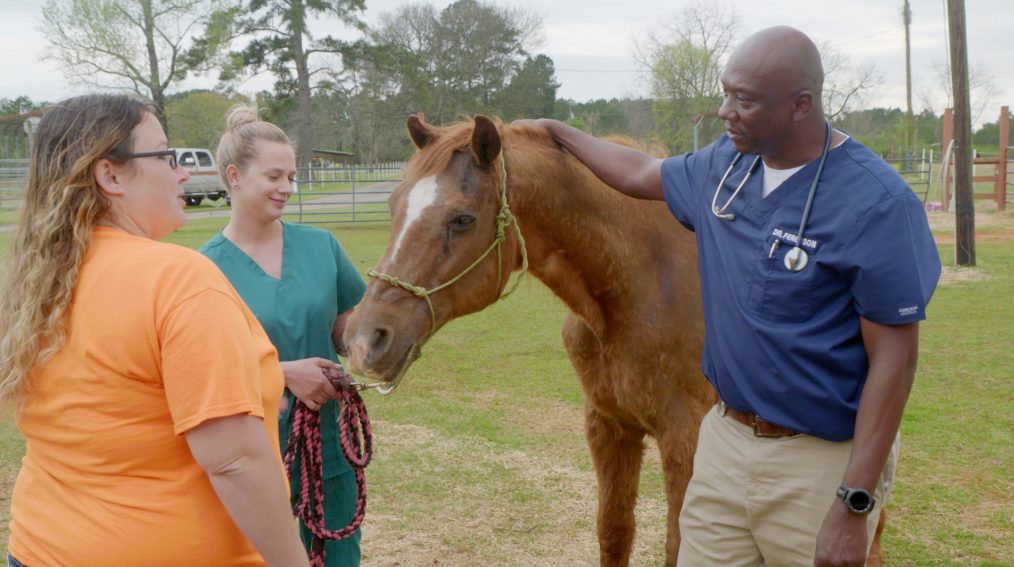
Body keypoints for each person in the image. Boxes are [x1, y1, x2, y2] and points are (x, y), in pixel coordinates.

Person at [519, 26, 941, 567]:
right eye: (725, 93)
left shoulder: (877, 204)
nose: (724, 111)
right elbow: (642, 173)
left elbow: (895, 362)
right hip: (724, 444)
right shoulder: (728, 169)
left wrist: (854, 502)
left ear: (799, 106)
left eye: (743, 100)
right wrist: (560, 132)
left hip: (820, 460)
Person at [0, 94, 308, 567]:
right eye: (165, 155)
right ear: (111, 174)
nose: (182, 171)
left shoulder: (37, 281)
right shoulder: (178, 278)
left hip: (40, 548)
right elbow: (235, 460)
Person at [199, 105, 367, 566]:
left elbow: (346, 325)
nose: (287, 188)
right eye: (274, 176)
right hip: (249, 452)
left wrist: (370, 345)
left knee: (336, 556)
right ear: (234, 175)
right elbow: (199, 373)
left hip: (327, 448)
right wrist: (284, 373)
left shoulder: (321, 246)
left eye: (291, 177)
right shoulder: (202, 269)